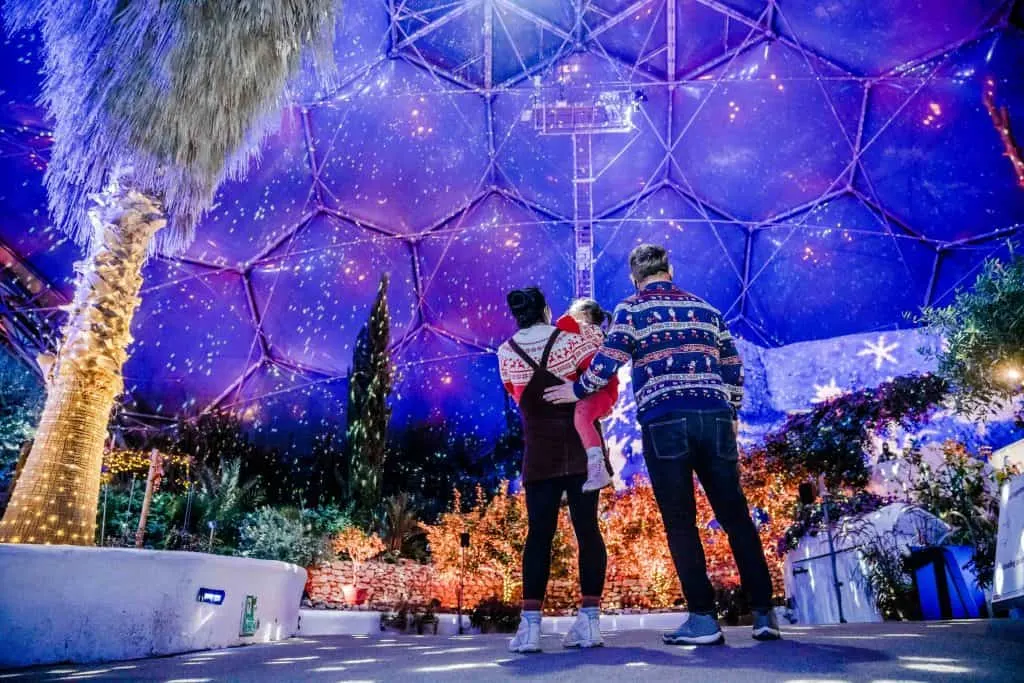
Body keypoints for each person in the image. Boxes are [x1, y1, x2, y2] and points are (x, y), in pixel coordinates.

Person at [544, 244, 781, 645]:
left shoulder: (631, 310)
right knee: (736, 515)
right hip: (716, 418)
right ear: (670, 269)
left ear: (634, 277)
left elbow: (607, 360)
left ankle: (704, 619)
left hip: (665, 420)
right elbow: (733, 366)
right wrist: (731, 411)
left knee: (680, 521)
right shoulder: (707, 309)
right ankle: (764, 613)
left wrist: (576, 390)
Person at [497, 287, 608, 653]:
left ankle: (530, 629)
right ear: (546, 309)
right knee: (588, 532)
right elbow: (598, 374)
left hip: (539, 452)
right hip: (581, 446)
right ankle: (589, 624)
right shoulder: (571, 342)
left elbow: (517, 395)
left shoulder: (505, 353)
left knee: (538, 537)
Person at [554, 298, 617, 492]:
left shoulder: (585, 329)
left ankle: (597, 470)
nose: (569, 314)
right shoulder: (597, 333)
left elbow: (561, 324)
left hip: (598, 390)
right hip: (601, 390)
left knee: (581, 418)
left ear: (585, 315)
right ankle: (597, 468)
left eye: (574, 311)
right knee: (583, 420)